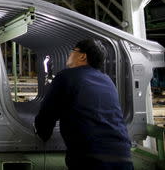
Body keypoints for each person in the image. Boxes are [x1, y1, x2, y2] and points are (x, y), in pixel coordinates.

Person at [34, 39, 133, 170]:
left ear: (82, 56)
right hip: (123, 156)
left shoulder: (66, 77)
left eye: (72, 51)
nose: (69, 54)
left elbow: (48, 113)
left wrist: (42, 133)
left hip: (90, 159)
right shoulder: (107, 80)